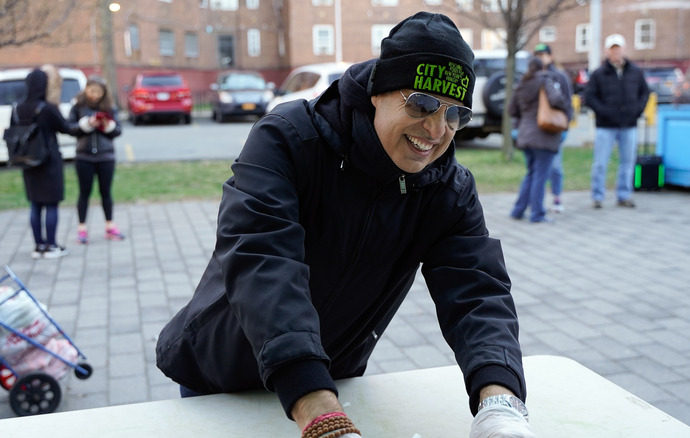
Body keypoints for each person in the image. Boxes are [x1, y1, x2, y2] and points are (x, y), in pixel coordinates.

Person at [156, 12, 535, 438]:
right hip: (227, 376)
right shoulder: (287, 138)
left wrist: (499, 403)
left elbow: (477, 291)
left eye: (455, 114)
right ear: (378, 92)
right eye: (422, 103)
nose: (436, 129)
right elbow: (263, 260)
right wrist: (319, 411)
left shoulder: (447, 186)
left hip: (330, 381)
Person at [12, 69, 76, 259]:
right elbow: (66, 128)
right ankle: (52, 246)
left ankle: (38, 246)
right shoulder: (47, 108)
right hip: (49, 163)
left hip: (27, 161)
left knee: (35, 205)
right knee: (51, 204)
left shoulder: (17, 108)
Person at [584, 33, 650, 209]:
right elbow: (589, 97)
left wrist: (637, 110)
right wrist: (603, 112)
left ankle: (624, 195)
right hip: (606, 126)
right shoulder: (599, 74)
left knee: (628, 163)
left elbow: (645, 93)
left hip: (628, 124)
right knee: (600, 163)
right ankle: (597, 196)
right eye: (612, 49)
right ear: (607, 51)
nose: (616, 52)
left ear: (623, 49)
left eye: (618, 48)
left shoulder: (635, 72)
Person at [507, 57, 570, 223]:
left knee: (531, 174)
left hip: (525, 136)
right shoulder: (544, 80)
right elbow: (557, 100)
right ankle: (537, 214)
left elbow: (511, 109)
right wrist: (565, 108)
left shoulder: (521, 84)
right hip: (543, 135)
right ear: (542, 68)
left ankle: (518, 211)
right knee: (540, 176)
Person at [68, 76, 125, 244]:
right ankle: (82, 228)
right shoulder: (78, 106)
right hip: (84, 156)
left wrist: (107, 125)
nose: (95, 95)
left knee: (106, 192)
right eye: (92, 91)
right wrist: (86, 124)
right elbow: (69, 128)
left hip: (106, 155)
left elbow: (119, 131)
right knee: (84, 193)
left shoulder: (110, 107)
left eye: (99, 92)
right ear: (86, 89)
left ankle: (109, 226)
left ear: (104, 92)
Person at [533, 43, 573, 213]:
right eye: (538, 55)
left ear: (551, 57)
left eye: (544, 55)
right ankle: (537, 201)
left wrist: (565, 126)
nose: (541, 58)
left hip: (555, 128)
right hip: (536, 129)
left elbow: (568, 103)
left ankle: (556, 196)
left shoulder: (559, 77)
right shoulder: (531, 76)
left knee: (556, 166)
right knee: (537, 169)